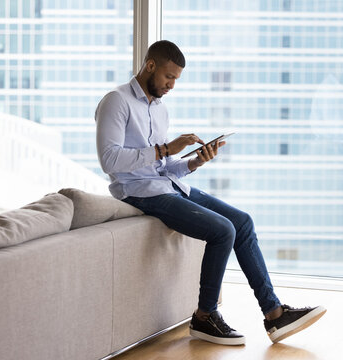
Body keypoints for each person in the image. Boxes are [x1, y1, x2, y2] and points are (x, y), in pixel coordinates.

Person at [95, 40, 326, 346]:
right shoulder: (116, 101)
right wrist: (164, 148)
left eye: (176, 79)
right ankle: (205, 317)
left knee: (242, 222)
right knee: (223, 231)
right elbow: (109, 160)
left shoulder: (160, 109)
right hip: (138, 192)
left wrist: (193, 161)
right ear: (150, 65)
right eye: (169, 77)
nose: (172, 85)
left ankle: (274, 314)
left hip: (167, 185)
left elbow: (162, 168)